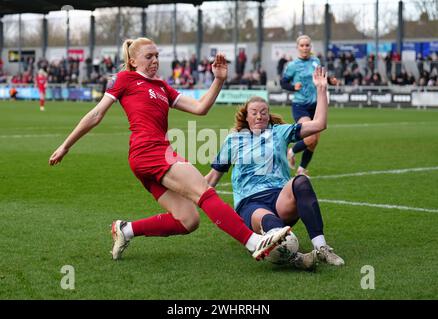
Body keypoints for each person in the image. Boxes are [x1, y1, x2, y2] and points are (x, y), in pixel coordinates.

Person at [48, 37, 291, 262]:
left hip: (148, 156)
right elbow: (96, 113)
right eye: (148, 56)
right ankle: (253, 241)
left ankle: (126, 229)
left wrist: (218, 80)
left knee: (188, 220)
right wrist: (65, 145)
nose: (154, 60)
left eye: (156, 55)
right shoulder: (125, 79)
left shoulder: (162, 86)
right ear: (133, 61)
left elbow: (200, 108)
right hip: (147, 150)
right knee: (203, 190)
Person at [206, 67, 344, 267]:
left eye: (264, 112)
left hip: (281, 198)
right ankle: (296, 259)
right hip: (250, 203)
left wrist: (321, 90)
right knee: (270, 222)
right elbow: (211, 179)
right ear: (246, 117)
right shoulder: (234, 140)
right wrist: (187, 190)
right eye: (254, 113)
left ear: (269, 116)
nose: (259, 116)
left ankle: (322, 248)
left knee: (301, 181)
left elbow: (319, 124)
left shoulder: (279, 132)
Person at [281, 35, 325, 175]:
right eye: (302, 45)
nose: (305, 48)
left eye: (307, 45)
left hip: (316, 105)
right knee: (310, 137)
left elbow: (321, 77)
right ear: (297, 47)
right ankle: (291, 152)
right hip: (300, 106)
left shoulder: (316, 61)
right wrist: (294, 87)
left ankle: (301, 170)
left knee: (314, 141)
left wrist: (331, 80)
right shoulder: (292, 65)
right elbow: (283, 82)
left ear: (310, 47)